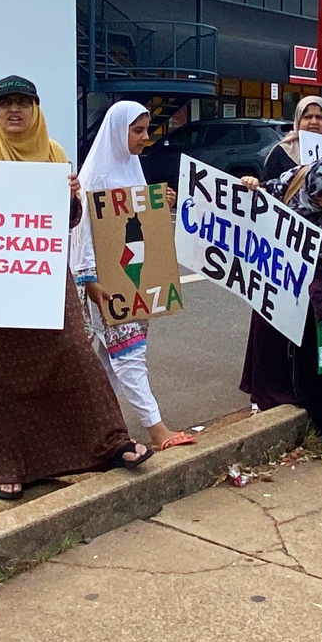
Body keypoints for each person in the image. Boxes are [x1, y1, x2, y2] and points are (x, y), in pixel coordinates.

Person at [0, 75, 153, 500]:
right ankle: (7, 463)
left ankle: (110, 442)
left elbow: (66, 224)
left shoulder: (53, 154)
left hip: (47, 278)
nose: (13, 111)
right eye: (4, 105)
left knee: (74, 355)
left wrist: (71, 197)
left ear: (36, 110)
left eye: (22, 103)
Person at [70, 100, 195, 451]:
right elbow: (84, 231)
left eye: (146, 130)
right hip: (105, 281)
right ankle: (157, 430)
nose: (144, 137)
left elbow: (138, 221)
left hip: (132, 274)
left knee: (111, 359)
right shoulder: (95, 176)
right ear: (116, 131)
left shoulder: (132, 167)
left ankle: (90, 424)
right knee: (129, 354)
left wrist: (161, 203)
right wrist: (89, 279)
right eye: (137, 130)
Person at [238, 160, 322, 443]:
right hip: (289, 264)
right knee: (270, 324)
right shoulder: (297, 177)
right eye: (317, 198)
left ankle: (320, 400)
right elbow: (272, 191)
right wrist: (253, 186)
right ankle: (268, 390)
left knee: (316, 339)